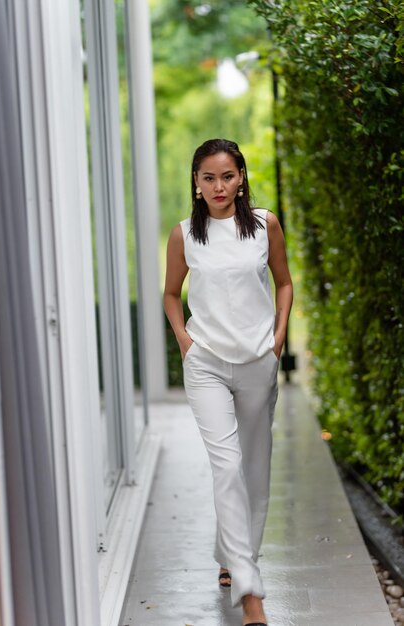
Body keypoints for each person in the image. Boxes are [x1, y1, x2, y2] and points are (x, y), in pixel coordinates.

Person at [163, 138, 293, 626]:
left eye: (227, 176)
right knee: (226, 465)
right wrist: (185, 341)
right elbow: (171, 294)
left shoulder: (265, 225)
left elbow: (283, 281)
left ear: (242, 177)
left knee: (254, 471)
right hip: (208, 363)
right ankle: (249, 587)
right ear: (196, 185)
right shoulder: (183, 236)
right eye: (208, 178)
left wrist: (277, 338)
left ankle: (231, 554)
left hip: (259, 361)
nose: (219, 186)